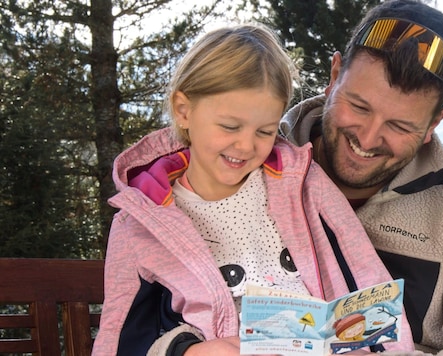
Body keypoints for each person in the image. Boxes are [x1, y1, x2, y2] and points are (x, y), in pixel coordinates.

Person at [92, 24, 414, 355]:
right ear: (184, 110)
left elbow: (368, 278)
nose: (246, 146)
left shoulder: (304, 184)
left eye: (264, 131)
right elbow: (120, 338)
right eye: (230, 126)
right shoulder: (141, 223)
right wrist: (184, 351)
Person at [280, 0, 443, 354]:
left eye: (400, 126)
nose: (369, 139)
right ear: (334, 75)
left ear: (435, 123)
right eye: (359, 106)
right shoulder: (244, 167)